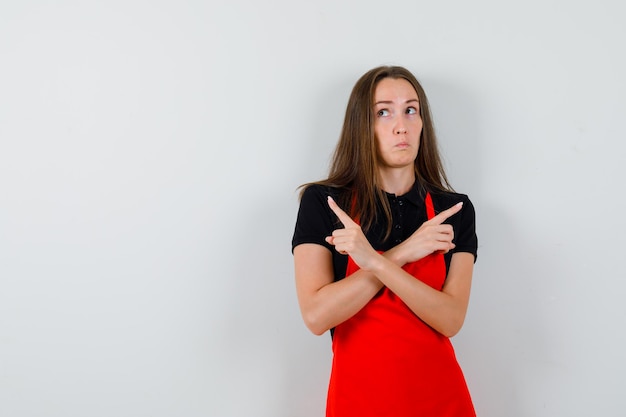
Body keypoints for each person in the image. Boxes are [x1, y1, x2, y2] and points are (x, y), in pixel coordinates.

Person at [291, 65, 478, 416]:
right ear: (363, 126)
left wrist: (374, 259)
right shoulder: (325, 203)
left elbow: (450, 319)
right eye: (383, 112)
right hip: (358, 403)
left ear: (423, 123)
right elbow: (317, 316)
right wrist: (405, 251)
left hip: (441, 401)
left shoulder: (454, 210)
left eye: (411, 109)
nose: (400, 125)